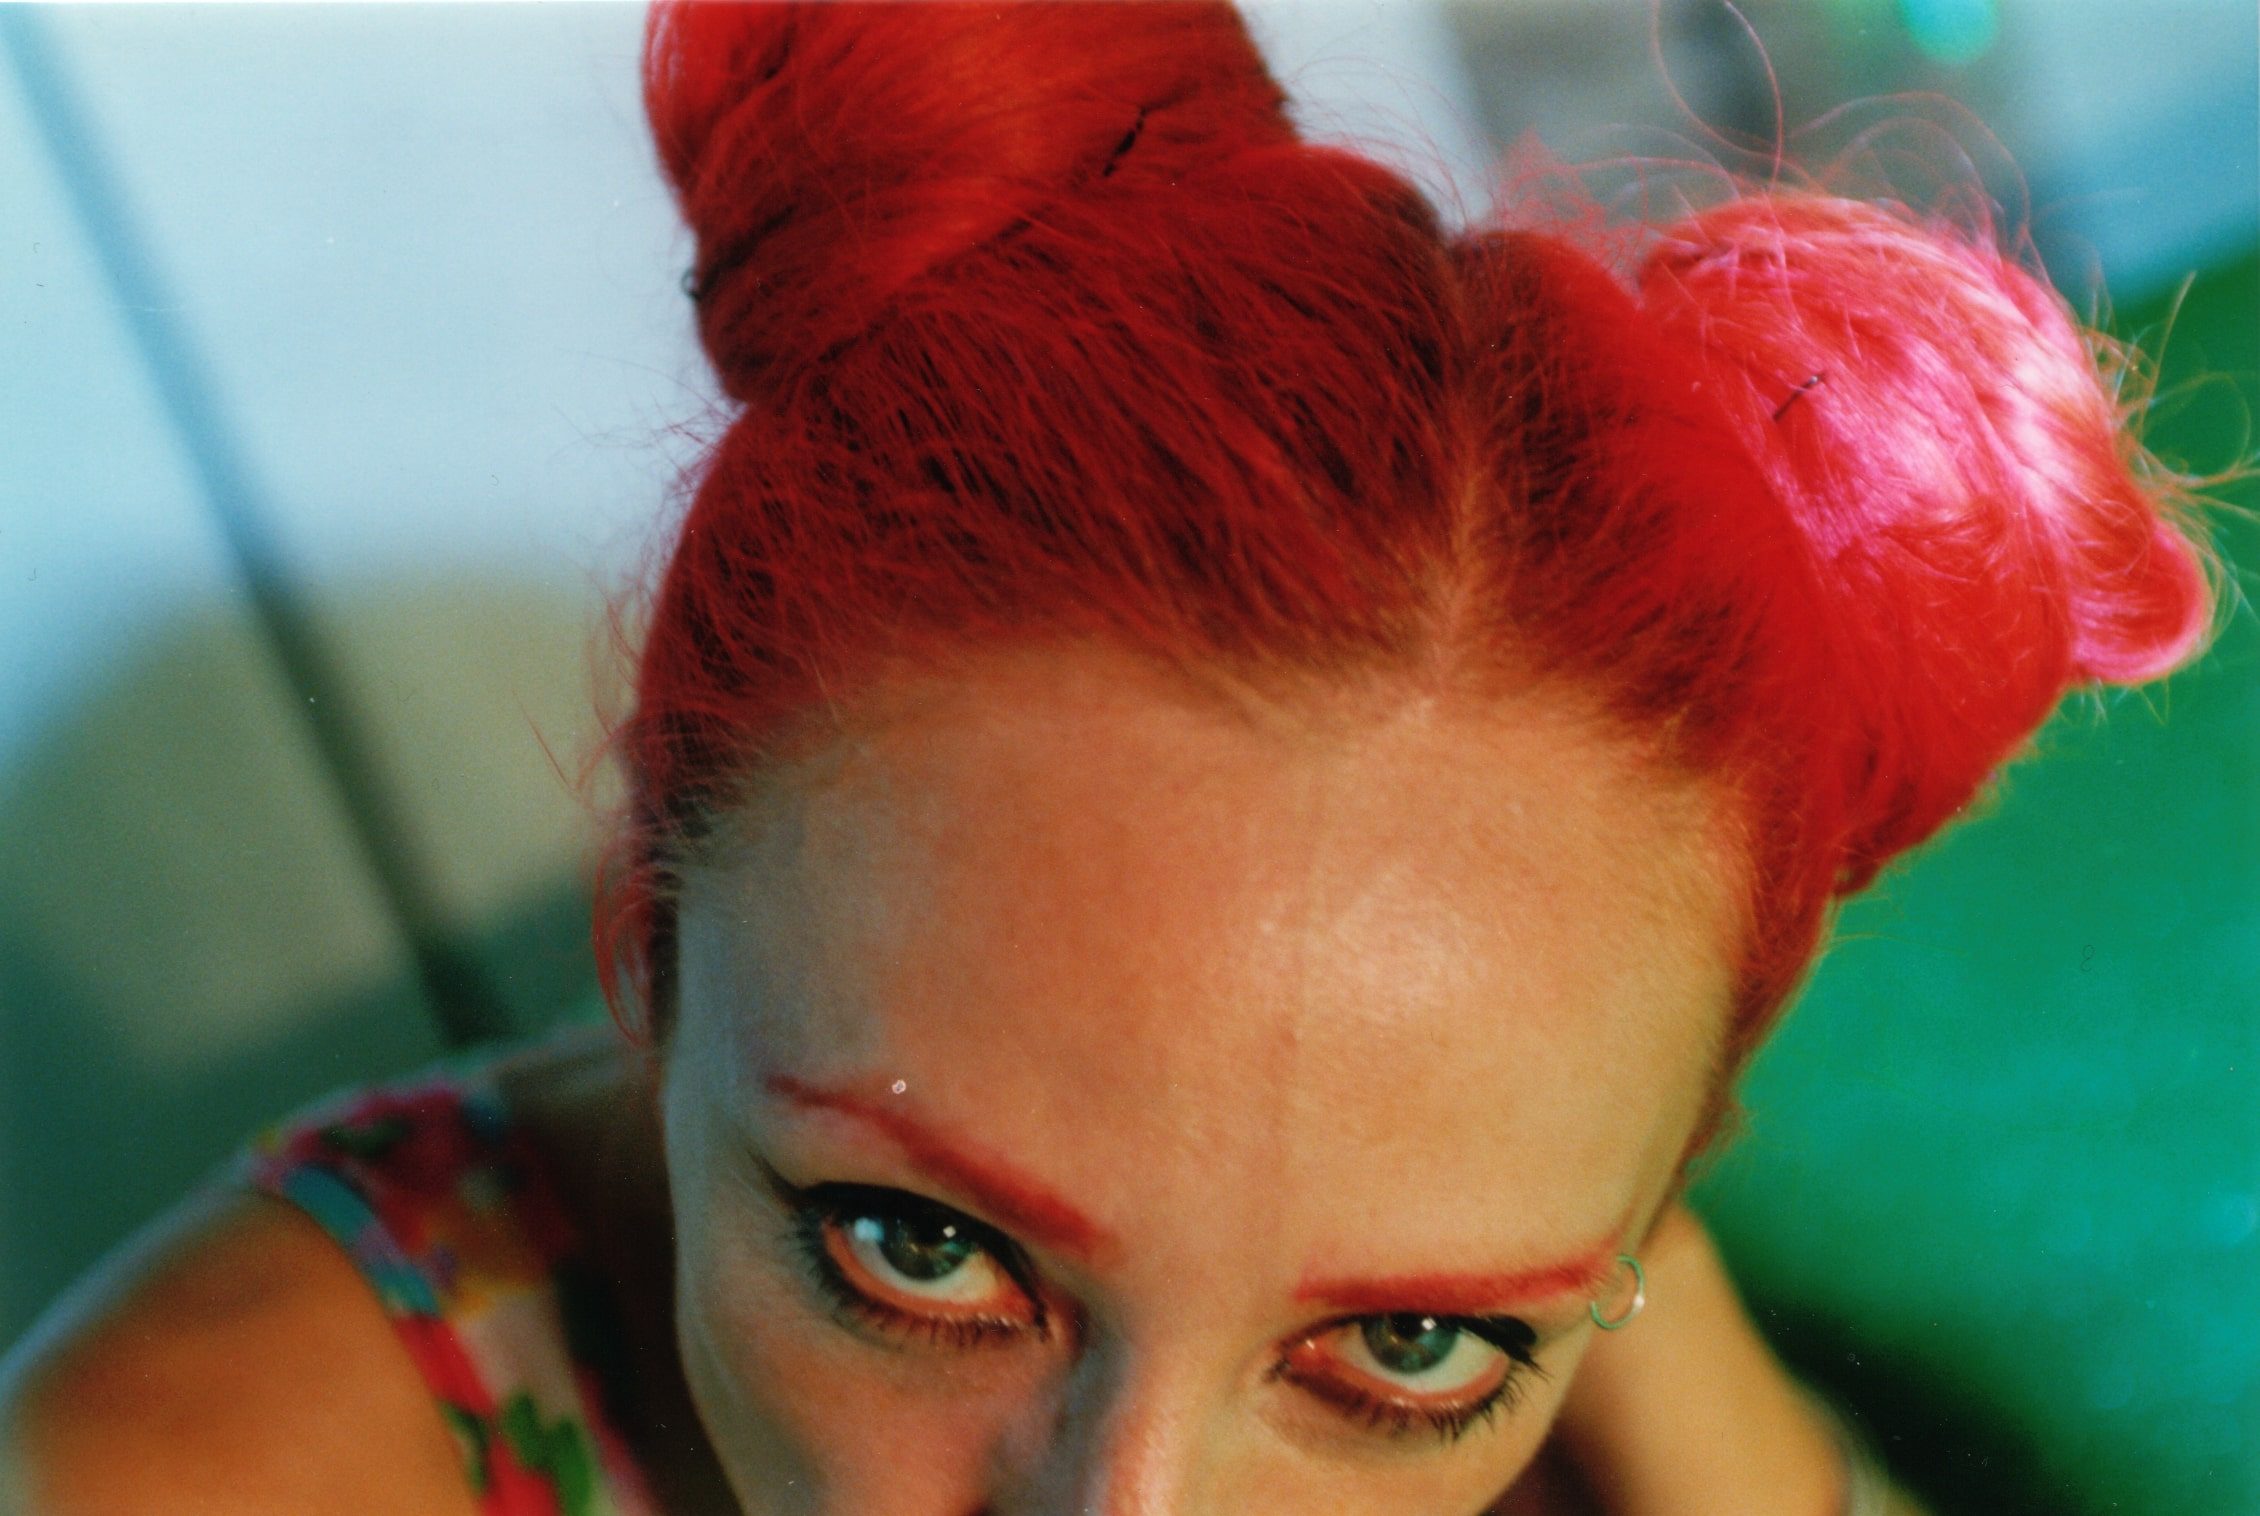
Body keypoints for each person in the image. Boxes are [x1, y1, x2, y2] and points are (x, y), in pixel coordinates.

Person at [0, 3, 2215, 1513]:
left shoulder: (1583, 1286)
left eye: (1406, 1354)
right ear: (645, 941)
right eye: (913, 1247)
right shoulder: (168, 1473)